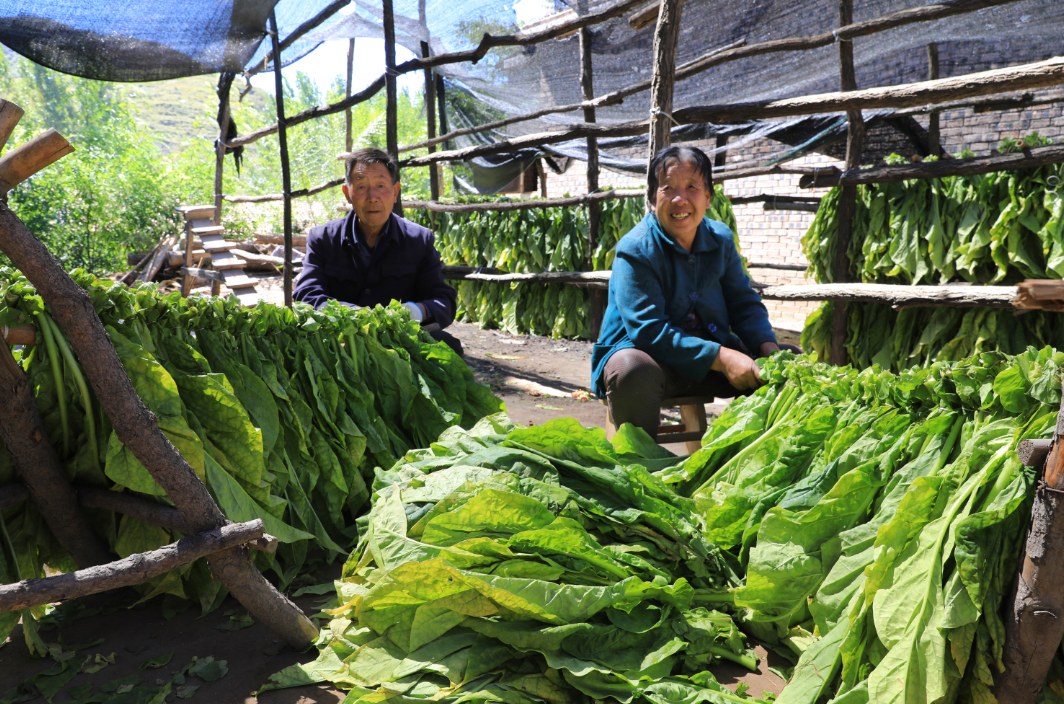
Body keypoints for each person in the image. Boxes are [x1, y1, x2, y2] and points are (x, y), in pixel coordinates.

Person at [591, 145, 790, 441]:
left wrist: (767, 347)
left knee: (787, 367)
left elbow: (743, 303)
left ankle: (744, 461)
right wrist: (724, 359)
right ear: (652, 198)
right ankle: (636, 466)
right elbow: (650, 332)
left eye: (691, 187)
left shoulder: (720, 239)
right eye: (667, 188)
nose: (679, 199)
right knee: (631, 370)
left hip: (709, 362)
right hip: (652, 364)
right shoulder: (636, 249)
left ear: (708, 197)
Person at [294, 148, 463, 356]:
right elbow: (306, 295)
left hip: (401, 344)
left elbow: (443, 300)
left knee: (450, 347)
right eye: (362, 186)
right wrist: (355, 316)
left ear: (395, 192)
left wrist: (416, 311)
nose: (372, 197)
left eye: (381, 186)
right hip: (340, 342)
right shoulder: (323, 238)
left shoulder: (419, 239)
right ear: (347, 193)